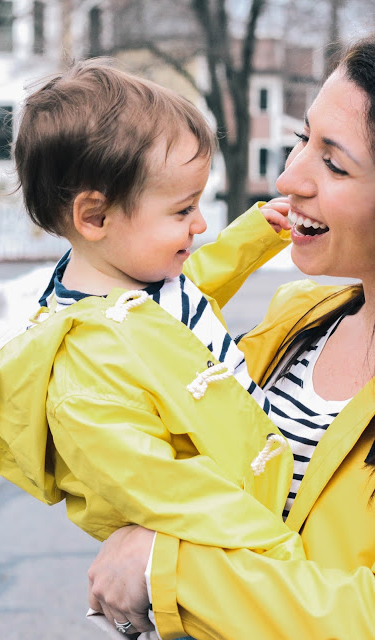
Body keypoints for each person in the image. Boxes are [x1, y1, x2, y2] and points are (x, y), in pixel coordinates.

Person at [0, 58, 309, 581]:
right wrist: (280, 552)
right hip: (227, 558)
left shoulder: (141, 278)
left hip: (255, 514)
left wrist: (253, 235)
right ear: (95, 217)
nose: (201, 223)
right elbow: (163, 489)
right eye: (182, 210)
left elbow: (195, 285)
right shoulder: (86, 368)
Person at [86, 37, 375, 639]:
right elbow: (153, 317)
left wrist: (168, 568)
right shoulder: (297, 320)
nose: (288, 176)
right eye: (302, 138)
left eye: (334, 162)